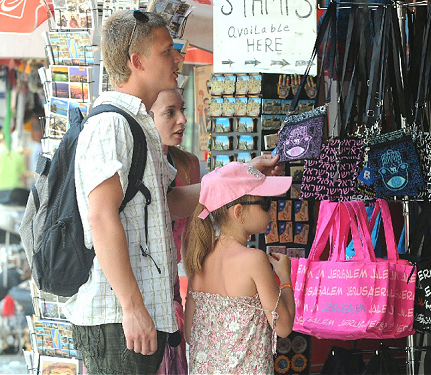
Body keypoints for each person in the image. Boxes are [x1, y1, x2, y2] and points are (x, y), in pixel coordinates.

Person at [65, 10, 284, 375]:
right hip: (118, 321)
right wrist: (132, 307)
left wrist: (245, 175)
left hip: (140, 317)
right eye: (167, 51)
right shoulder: (110, 126)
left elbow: (171, 201)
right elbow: (101, 217)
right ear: (137, 62)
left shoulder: (138, 125)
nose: (178, 59)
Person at [183, 162, 296, 374]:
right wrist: (286, 278)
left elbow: (191, 334)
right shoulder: (255, 260)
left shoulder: (199, 259)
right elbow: (283, 327)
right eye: (265, 203)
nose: (271, 210)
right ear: (238, 212)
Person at [150, 88, 199, 374]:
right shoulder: (137, 164)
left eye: (182, 110)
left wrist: (195, 293)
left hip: (170, 287)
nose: (182, 119)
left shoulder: (187, 164)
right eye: (170, 112)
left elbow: (193, 237)